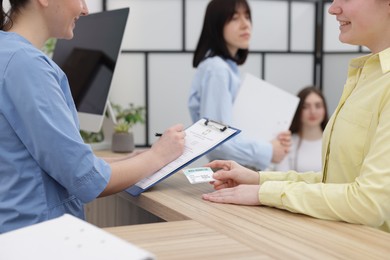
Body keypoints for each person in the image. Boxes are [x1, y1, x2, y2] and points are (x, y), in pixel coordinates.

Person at [202, 0, 390, 232]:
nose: (332, 8)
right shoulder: (365, 75)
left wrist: (264, 192)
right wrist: (259, 180)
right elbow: (334, 184)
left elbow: (369, 203)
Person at [0, 0, 185, 233]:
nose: (85, 9)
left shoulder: (7, 53)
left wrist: (133, 161)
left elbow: (41, 162)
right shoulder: (26, 65)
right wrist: (159, 155)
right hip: (37, 238)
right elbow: (86, 179)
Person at [188, 0, 291, 171]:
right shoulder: (218, 69)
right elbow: (216, 141)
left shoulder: (228, 69)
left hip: (238, 172)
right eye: (234, 18)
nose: (245, 24)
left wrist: (274, 137)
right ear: (216, 25)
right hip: (231, 175)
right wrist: (268, 150)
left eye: (247, 17)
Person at [274, 86, 328, 172]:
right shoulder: (286, 142)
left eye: (318, 106)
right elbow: (281, 178)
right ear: (298, 110)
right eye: (305, 107)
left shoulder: (334, 143)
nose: (313, 111)